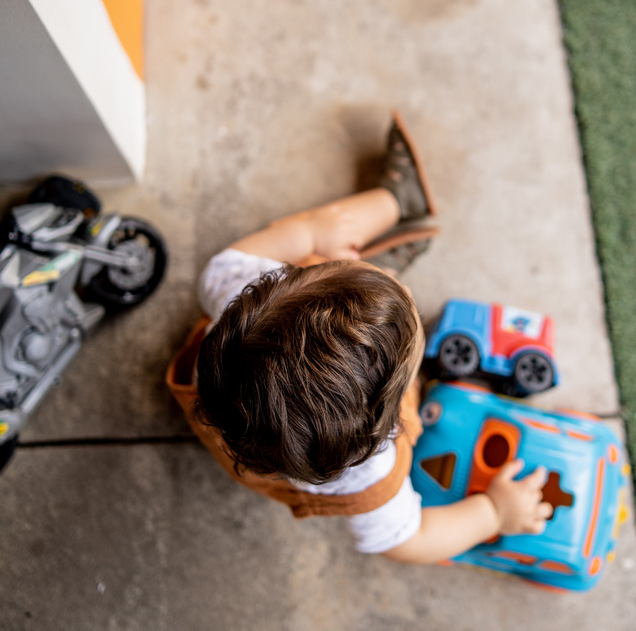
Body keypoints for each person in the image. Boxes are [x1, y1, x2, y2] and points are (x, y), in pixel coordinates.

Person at [166, 111, 552, 563]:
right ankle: (394, 211)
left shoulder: (235, 287)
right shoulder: (369, 471)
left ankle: (393, 208)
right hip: (292, 445)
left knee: (321, 237)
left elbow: (234, 257)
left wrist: (314, 232)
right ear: (385, 424)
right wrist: (493, 513)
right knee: (332, 246)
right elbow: (409, 540)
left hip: (226, 391)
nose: (408, 293)